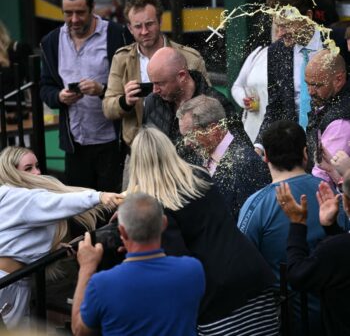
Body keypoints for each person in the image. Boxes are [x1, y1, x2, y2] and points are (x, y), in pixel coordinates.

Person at [125, 127, 279, 335]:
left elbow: (178, 265)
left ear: (137, 164)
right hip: (253, 274)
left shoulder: (156, 206)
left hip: (217, 297)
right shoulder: (199, 177)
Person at [238, 120, 350, 335]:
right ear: (305, 153)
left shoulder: (256, 205)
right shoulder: (332, 196)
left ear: (266, 157)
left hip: (285, 322)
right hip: (336, 317)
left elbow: (243, 264)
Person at [0, 146, 120, 330]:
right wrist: (99, 196)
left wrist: (54, 249)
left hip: (16, 283)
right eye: (28, 168)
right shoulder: (16, 196)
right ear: (11, 172)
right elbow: (58, 202)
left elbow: (20, 241)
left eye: (37, 166)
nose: (37, 172)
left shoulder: (20, 200)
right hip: (6, 284)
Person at [71, 193, 205, 336]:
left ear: (122, 231)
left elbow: (79, 330)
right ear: (164, 223)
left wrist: (86, 268)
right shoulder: (192, 270)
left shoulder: (102, 284)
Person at [40, 0, 131, 192]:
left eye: (80, 12)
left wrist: (102, 89)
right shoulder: (51, 41)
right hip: (75, 145)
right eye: (68, 13)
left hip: (110, 142)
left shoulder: (117, 35)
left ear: (92, 8)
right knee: (78, 211)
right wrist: (59, 96)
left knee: (108, 209)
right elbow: (45, 87)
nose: (74, 19)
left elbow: (131, 83)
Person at [103, 0, 210, 148]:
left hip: (182, 149)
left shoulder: (189, 58)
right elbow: (107, 108)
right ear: (130, 28)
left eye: (149, 24)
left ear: (160, 21)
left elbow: (210, 106)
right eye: (138, 26)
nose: (144, 31)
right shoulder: (121, 59)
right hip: (138, 151)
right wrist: (125, 102)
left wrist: (182, 96)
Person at [254, 0, 326, 154]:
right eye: (277, 26)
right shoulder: (276, 52)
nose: (279, 34)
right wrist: (259, 146)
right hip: (293, 152)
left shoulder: (338, 43)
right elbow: (275, 107)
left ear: (308, 16)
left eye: (286, 26)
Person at [275, 175, 350, 335]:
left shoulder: (334, 249)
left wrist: (297, 223)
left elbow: (297, 276)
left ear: (346, 204)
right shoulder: (337, 248)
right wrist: (331, 228)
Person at [177, 94, 271, 220]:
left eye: (190, 135)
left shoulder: (247, 163)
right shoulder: (198, 158)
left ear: (213, 130)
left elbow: (253, 221)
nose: (187, 142)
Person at [143, 47, 238, 145]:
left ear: (182, 76)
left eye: (160, 84)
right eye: (153, 83)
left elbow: (238, 149)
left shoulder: (217, 103)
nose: (155, 90)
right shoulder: (153, 101)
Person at [305, 49, 350, 185]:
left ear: (339, 79)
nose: (310, 92)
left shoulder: (340, 123)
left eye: (317, 85)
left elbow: (322, 179)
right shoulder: (329, 99)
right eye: (307, 84)